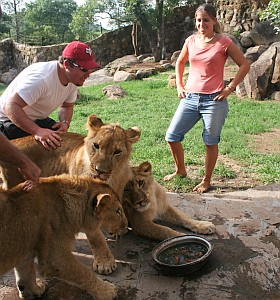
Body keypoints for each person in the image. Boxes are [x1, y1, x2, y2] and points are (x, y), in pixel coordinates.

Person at [164, 3, 250, 193]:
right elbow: (180, 61)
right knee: (172, 136)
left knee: (210, 141)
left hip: (214, 101)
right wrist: (179, 84)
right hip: (190, 98)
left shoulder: (224, 42)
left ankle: (207, 179)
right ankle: (180, 171)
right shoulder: (191, 40)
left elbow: (244, 65)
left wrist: (230, 88)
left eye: (206, 20)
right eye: (199, 20)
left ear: (214, 21)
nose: (202, 24)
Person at [0, 41, 99, 150]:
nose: (88, 74)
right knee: (36, 157)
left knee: (62, 144)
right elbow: (10, 106)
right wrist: (37, 131)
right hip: (7, 121)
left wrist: (64, 123)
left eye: (90, 69)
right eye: (84, 69)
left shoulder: (72, 80)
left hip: (35, 119)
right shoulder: (41, 79)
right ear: (67, 64)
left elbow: (67, 106)